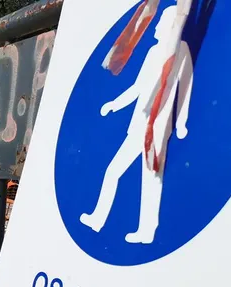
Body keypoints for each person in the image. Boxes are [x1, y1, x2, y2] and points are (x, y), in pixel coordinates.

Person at [79, 5, 192, 244]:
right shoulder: (152, 51)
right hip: (138, 124)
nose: (157, 26)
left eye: (162, 22)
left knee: (151, 179)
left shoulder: (181, 51)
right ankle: (98, 219)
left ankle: (147, 230)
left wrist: (181, 123)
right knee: (113, 171)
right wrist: (114, 104)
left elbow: (185, 89)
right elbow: (138, 87)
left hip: (159, 127)